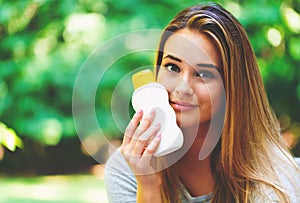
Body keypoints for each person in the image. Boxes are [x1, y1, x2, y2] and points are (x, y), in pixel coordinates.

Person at [104, 2, 300, 203]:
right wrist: (149, 187)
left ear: (233, 87)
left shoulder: (274, 177)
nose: (182, 88)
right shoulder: (127, 169)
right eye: (172, 67)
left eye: (204, 73)